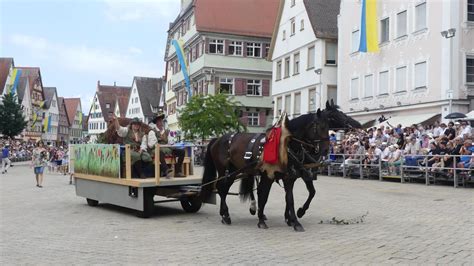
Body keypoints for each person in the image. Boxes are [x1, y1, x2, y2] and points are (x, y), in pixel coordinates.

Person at [147, 112, 185, 178]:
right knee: (159, 152)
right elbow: (152, 144)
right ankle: (166, 170)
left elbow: (171, 141)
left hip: (167, 148)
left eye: (162, 120)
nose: (161, 122)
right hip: (156, 149)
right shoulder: (152, 131)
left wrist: (171, 143)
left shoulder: (167, 131)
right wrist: (160, 144)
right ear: (156, 122)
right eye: (159, 120)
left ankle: (177, 171)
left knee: (181, 152)